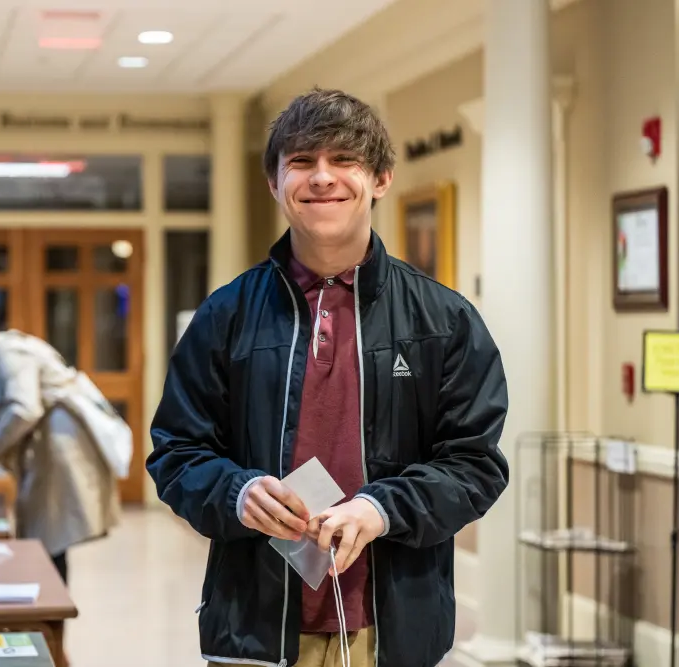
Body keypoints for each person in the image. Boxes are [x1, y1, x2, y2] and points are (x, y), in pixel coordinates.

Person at [147, 88, 509, 667]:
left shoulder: (444, 322)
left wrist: (381, 508)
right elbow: (177, 454)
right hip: (254, 626)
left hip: (387, 630)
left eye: (344, 161)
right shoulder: (226, 317)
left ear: (381, 179)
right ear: (274, 182)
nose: (322, 177)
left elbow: (474, 465)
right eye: (301, 162)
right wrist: (237, 493)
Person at [0, 322, 129, 584]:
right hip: (46, 446)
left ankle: (49, 614)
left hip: (58, 445)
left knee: (48, 538)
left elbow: (24, 409)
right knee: (44, 537)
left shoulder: (5, 352)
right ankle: (45, 610)